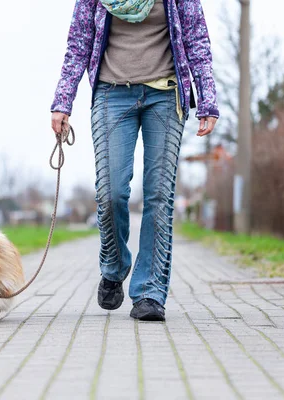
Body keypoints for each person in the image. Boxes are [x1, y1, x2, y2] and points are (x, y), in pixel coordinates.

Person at [51, 0, 218, 321]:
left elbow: (197, 39)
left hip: (166, 95)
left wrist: (207, 100)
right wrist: (63, 101)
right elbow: (78, 43)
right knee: (111, 193)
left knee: (159, 196)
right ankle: (114, 267)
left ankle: (150, 292)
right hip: (111, 94)